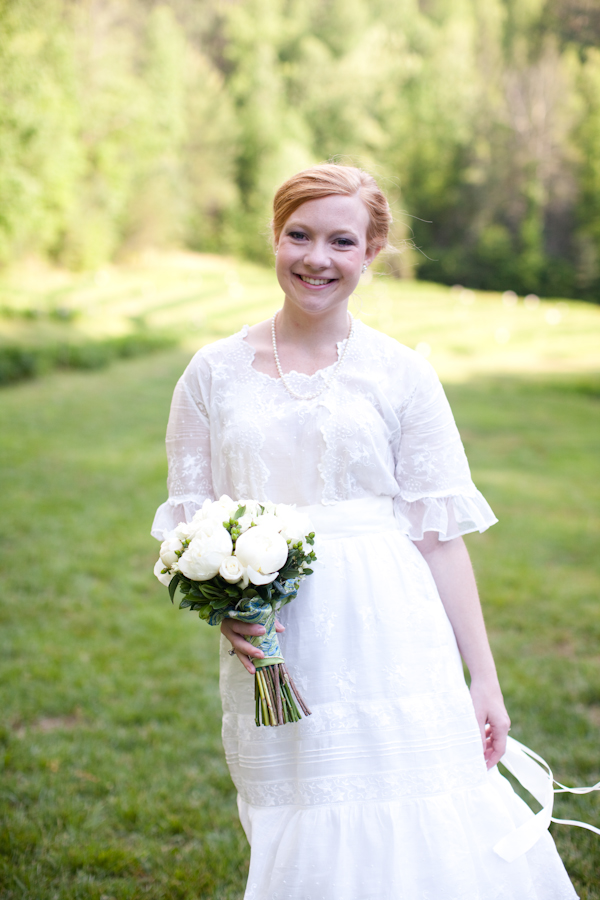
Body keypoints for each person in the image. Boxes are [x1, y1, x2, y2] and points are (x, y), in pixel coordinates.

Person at [152, 164, 580, 898]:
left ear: (372, 253)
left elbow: (439, 537)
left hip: (391, 628)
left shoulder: (401, 373)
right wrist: (229, 611)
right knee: (299, 808)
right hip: (277, 636)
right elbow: (189, 517)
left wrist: (485, 678)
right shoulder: (212, 373)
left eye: (342, 241)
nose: (317, 258)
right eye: (300, 235)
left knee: (415, 800)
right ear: (276, 238)